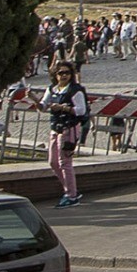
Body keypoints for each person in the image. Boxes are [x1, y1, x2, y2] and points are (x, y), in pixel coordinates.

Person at [41, 64, 90, 208]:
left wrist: (63, 107)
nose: (64, 75)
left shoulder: (76, 90)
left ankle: (71, 195)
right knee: (53, 162)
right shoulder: (52, 89)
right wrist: (33, 98)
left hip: (69, 128)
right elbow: (43, 106)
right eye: (60, 73)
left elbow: (81, 110)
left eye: (67, 73)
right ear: (55, 75)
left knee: (65, 162)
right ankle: (70, 189)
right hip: (55, 127)